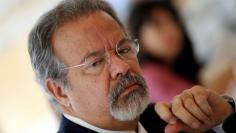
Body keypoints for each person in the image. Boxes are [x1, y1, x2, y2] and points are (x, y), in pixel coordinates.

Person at [28, 0, 235, 132]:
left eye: (124, 49)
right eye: (96, 63)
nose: (122, 67)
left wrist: (225, 115)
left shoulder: (167, 119)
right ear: (59, 91)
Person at [128, 1, 201, 102]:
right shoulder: (150, 77)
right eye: (157, 24)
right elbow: (199, 104)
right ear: (139, 36)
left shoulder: (174, 66)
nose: (170, 29)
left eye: (172, 21)